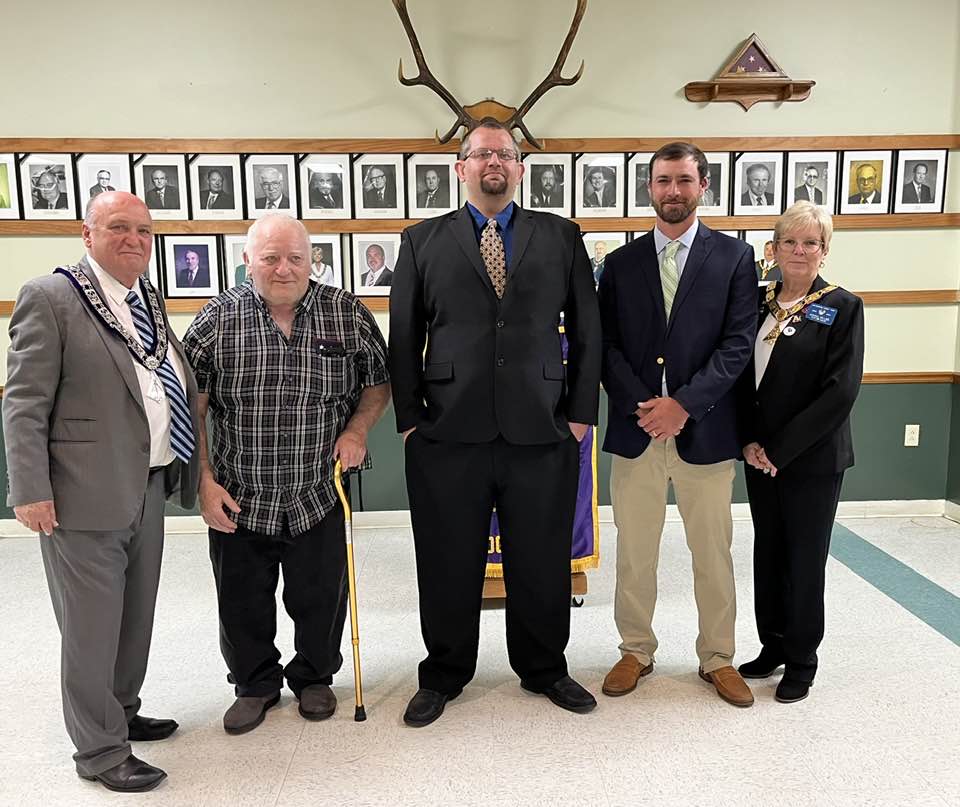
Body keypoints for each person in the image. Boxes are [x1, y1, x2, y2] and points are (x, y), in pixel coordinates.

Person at [390, 120, 602, 728]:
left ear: (520, 168)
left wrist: (582, 415)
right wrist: (410, 423)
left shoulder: (561, 237)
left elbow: (587, 329)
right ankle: (445, 673)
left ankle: (545, 668)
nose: (495, 163)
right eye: (482, 153)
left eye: (506, 154)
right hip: (446, 433)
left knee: (539, 556)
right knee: (447, 557)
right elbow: (404, 336)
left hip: (543, 429)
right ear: (460, 168)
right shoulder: (421, 240)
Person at [3, 191, 199, 792]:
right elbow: (23, 402)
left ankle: (123, 711)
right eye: (118, 227)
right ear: (86, 234)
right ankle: (98, 750)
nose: (135, 239)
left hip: (146, 483)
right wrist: (29, 490)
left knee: (134, 615)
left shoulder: (144, 297)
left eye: (144, 229)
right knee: (90, 627)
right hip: (80, 494)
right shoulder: (52, 297)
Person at [182, 213, 390, 735]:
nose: (283, 268)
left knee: (320, 597)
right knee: (241, 601)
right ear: (247, 259)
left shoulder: (346, 313)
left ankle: (314, 677)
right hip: (239, 493)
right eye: (270, 257)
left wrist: (358, 431)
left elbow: (379, 383)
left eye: (295, 257)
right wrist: (203, 481)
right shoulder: (213, 321)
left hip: (318, 491)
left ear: (311, 260)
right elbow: (193, 407)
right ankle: (254, 685)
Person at [598, 141, 757, 707]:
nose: (673, 191)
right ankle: (635, 649)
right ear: (649, 188)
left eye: (684, 181)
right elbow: (606, 346)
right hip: (637, 431)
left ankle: (718, 657)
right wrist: (648, 404)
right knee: (634, 551)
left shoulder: (735, 259)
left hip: (706, 432)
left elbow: (738, 345)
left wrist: (683, 405)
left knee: (712, 553)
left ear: (703, 186)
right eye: (663, 181)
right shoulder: (618, 265)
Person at [736, 201, 864, 703]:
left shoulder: (843, 306)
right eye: (789, 241)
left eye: (810, 243)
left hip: (811, 459)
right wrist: (748, 439)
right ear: (774, 247)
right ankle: (773, 646)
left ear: (824, 251)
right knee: (768, 554)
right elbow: (741, 377)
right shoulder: (757, 298)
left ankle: (803, 660)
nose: (799, 250)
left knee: (804, 560)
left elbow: (839, 391)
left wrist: (780, 450)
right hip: (758, 454)